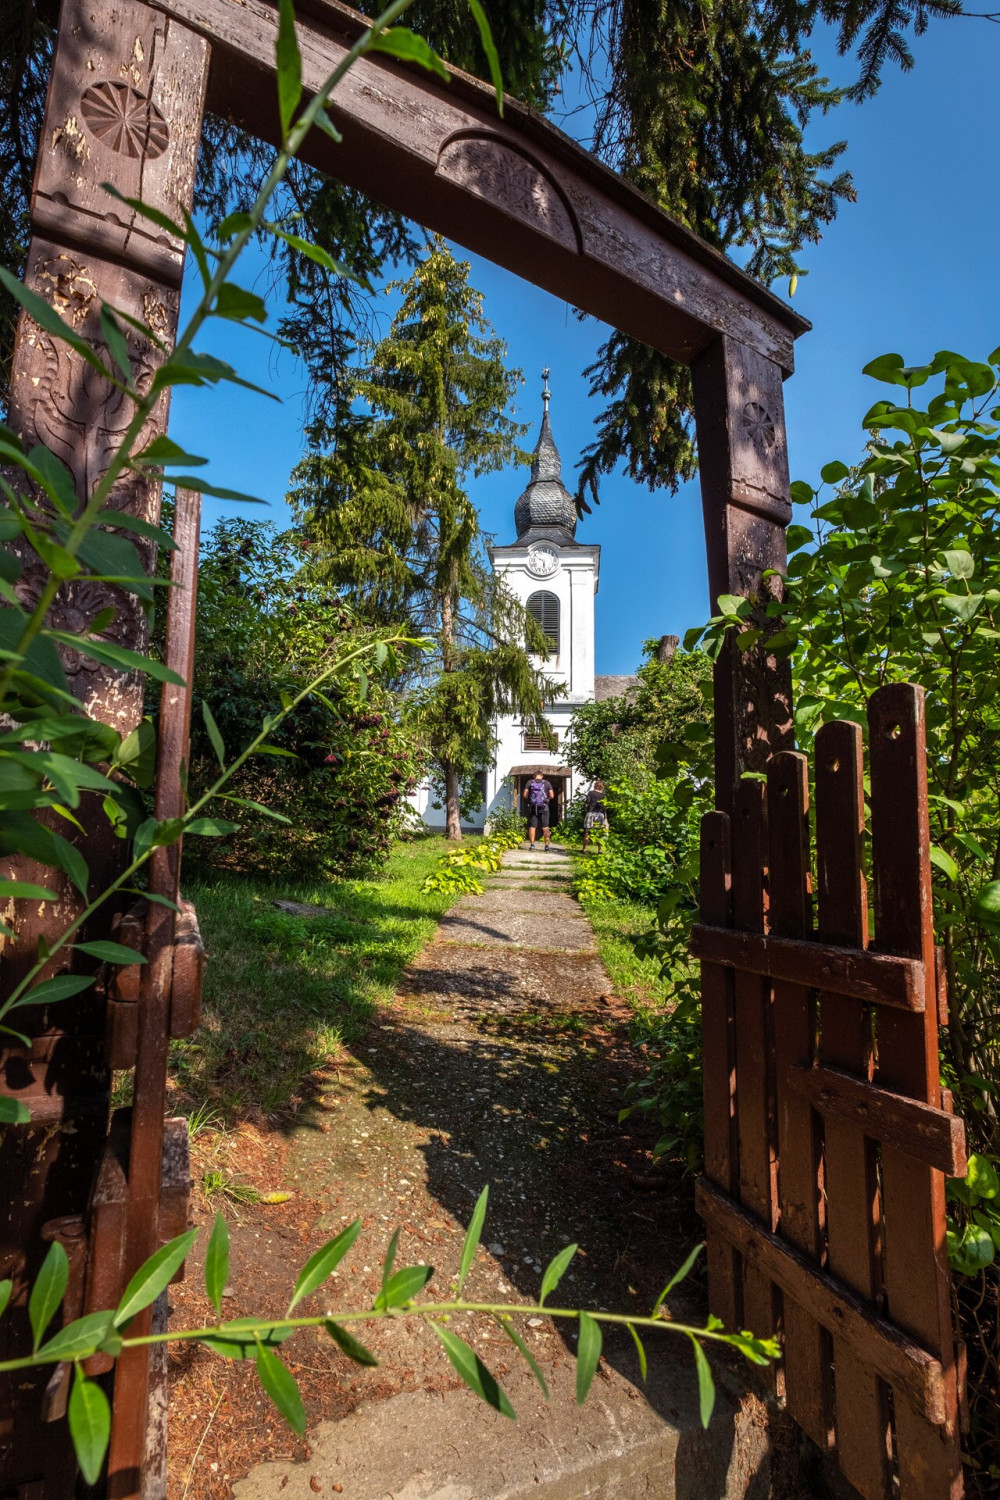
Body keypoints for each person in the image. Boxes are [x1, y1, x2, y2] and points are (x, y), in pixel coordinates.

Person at [522, 771, 555, 851]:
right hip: (545, 807)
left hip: (533, 807)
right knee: (545, 826)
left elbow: (524, 795)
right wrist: (547, 799)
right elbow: (552, 795)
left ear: (534, 776)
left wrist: (531, 799)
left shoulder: (530, 782)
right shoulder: (546, 783)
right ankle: (546, 846)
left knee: (533, 826)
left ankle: (532, 845)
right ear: (542, 776)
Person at [582, 780, 608, 852]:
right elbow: (604, 807)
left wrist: (587, 806)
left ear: (595, 785)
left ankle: (584, 848)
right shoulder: (603, 795)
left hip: (591, 813)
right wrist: (606, 818)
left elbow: (587, 802)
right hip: (600, 815)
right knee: (599, 832)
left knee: (587, 831)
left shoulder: (590, 793)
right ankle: (599, 850)